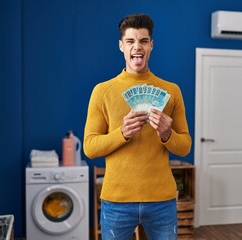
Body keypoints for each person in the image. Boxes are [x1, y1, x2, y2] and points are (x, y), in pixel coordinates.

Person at [84, 13, 191, 240]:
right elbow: (90, 147)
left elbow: (185, 147)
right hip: (116, 201)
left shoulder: (172, 91)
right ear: (121, 46)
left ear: (151, 45)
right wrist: (121, 133)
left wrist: (166, 134)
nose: (137, 47)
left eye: (143, 41)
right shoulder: (102, 91)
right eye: (130, 41)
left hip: (161, 199)